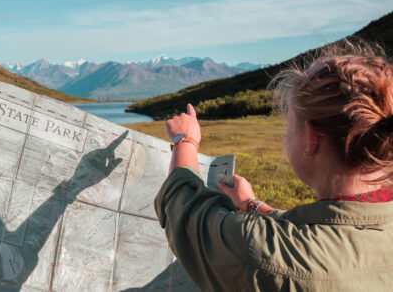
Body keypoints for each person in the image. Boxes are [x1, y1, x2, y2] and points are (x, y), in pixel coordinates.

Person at [155, 41, 393, 290]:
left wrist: (185, 141)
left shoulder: (262, 253)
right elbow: (331, 228)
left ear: (311, 139)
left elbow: (186, 216)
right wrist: (253, 205)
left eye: (289, 124)